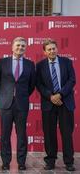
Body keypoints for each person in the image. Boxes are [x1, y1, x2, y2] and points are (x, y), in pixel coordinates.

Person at [0, 37, 36, 171]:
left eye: (23, 46)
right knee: (5, 134)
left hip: (21, 103)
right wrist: (5, 95)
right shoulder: (3, 62)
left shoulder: (30, 64)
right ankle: (6, 162)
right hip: (5, 103)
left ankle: (21, 162)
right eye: (17, 45)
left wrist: (21, 96)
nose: (20, 48)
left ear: (25, 48)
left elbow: (32, 85)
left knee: (22, 134)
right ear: (12, 47)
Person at [36, 39, 76, 171]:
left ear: (57, 49)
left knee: (67, 133)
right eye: (49, 49)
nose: (52, 51)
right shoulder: (40, 65)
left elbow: (72, 80)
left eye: (54, 48)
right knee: (49, 133)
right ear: (44, 52)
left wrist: (60, 94)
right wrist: (50, 96)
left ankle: (69, 162)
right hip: (49, 103)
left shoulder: (67, 62)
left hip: (65, 102)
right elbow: (39, 84)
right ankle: (50, 161)